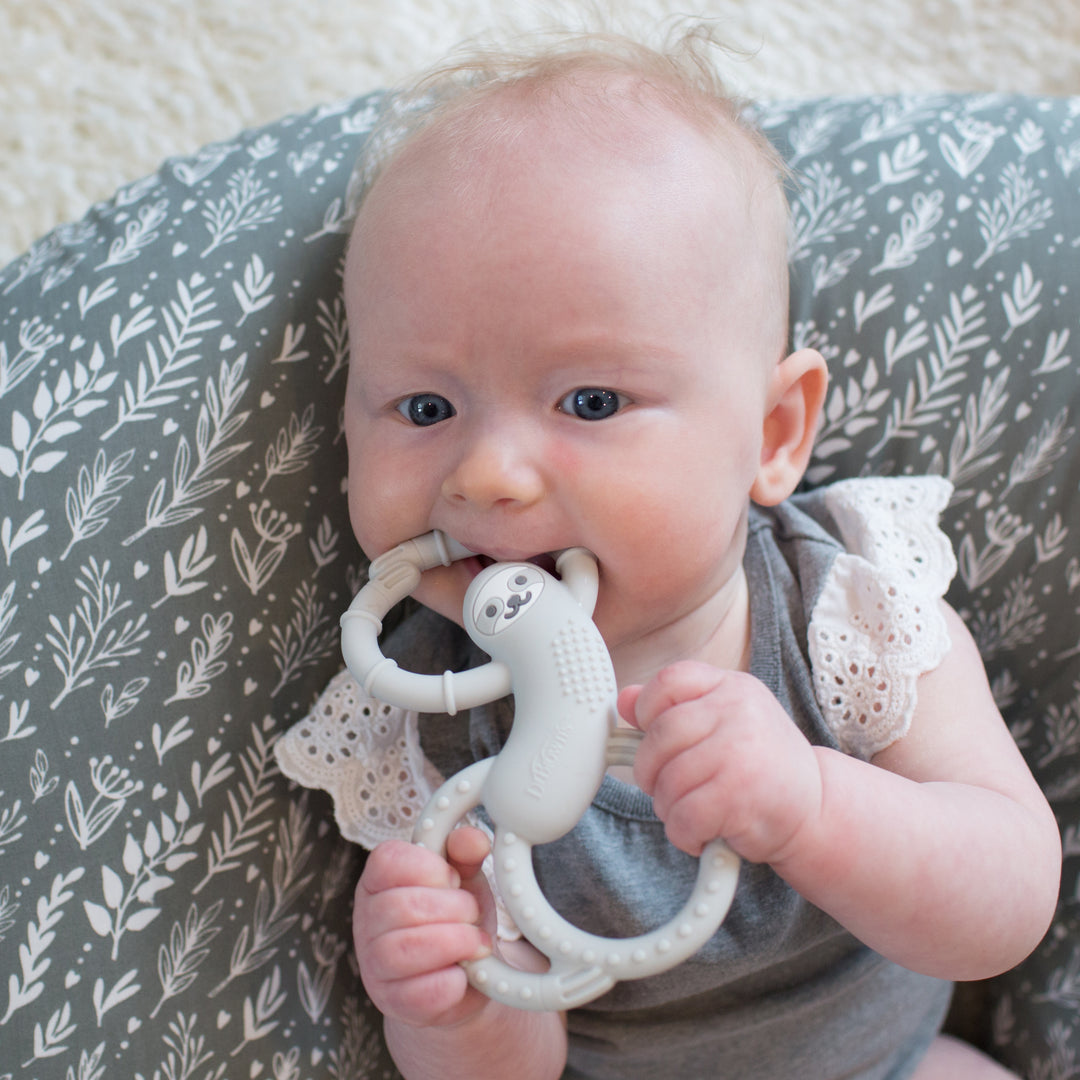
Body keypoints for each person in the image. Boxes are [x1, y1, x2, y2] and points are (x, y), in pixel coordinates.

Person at [281, 23, 1061, 1080]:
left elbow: (1005, 905)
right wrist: (452, 998)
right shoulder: (428, 721)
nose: (490, 475)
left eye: (591, 401)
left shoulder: (846, 611)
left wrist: (814, 807)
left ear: (774, 436)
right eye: (426, 406)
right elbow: (513, 1064)